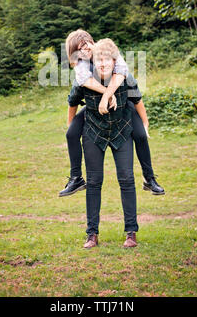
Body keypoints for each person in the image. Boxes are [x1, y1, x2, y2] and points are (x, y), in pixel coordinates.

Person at [59, 29, 164, 197]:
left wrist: (145, 123)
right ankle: (76, 178)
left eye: (85, 45)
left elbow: (134, 92)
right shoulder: (81, 66)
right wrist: (70, 124)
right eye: (78, 49)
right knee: (71, 134)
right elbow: (73, 100)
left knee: (141, 136)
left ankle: (149, 178)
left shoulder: (108, 53)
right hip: (93, 107)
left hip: (124, 104)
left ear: (92, 42)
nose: (84, 51)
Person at [67, 39, 142, 248]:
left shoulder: (120, 70)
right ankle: (91, 234)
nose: (101, 62)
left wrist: (144, 123)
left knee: (126, 179)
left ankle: (131, 233)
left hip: (121, 130)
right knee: (93, 182)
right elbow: (72, 100)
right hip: (93, 132)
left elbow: (137, 97)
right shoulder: (82, 75)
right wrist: (71, 128)